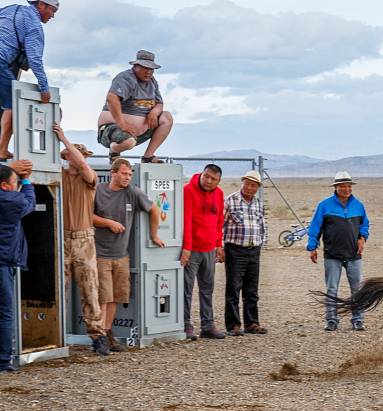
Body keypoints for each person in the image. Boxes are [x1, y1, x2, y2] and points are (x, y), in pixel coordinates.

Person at [93, 158, 165, 352]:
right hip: (100, 254)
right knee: (103, 298)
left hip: (121, 255)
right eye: (124, 173)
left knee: (115, 297)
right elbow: (87, 216)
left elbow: (155, 210)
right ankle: (98, 336)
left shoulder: (133, 192)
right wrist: (109, 223)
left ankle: (108, 333)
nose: (128, 177)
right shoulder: (98, 190)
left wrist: (154, 235)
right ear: (113, 173)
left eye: (130, 173)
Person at [53, 124, 108, 354]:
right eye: (77, 155)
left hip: (84, 239)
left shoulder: (89, 178)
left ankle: (98, 335)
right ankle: (54, 335)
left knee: (90, 289)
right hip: (61, 238)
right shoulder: (58, 176)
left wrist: (63, 138)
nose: (81, 159)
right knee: (57, 289)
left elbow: (84, 166)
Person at [307, 171, 370, 331]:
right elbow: (315, 227)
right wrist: (312, 247)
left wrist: (362, 238)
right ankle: (331, 320)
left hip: (354, 255)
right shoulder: (325, 205)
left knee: (356, 288)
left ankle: (358, 319)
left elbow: (365, 225)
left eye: (348, 186)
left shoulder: (358, 205)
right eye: (342, 186)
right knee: (332, 288)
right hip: (332, 254)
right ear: (336, 187)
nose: (346, 189)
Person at [0, 0, 59, 160]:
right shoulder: (34, 25)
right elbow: (34, 59)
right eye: (52, 10)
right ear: (41, 5)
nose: (52, 16)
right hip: (1, 60)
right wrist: (44, 87)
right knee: (12, 104)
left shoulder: (9, 9)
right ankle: (2, 149)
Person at [96, 50, 173, 164]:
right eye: (145, 68)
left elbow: (159, 103)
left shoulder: (152, 82)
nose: (148, 72)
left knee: (166, 117)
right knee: (128, 142)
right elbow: (112, 98)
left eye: (151, 69)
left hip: (139, 131)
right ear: (136, 66)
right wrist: (122, 124)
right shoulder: (126, 78)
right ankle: (114, 151)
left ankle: (148, 157)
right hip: (113, 129)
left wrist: (155, 111)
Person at [182, 164, 225, 340]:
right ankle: (185, 325)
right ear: (201, 174)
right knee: (186, 289)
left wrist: (218, 244)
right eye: (206, 176)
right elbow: (186, 220)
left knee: (207, 289)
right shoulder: (188, 190)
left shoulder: (219, 194)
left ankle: (207, 326)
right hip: (192, 250)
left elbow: (219, 220)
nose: (208, 181)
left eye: (213, 179)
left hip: (209, 249)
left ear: (218, 181)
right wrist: (187, 248)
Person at [222, 170, 267, 336]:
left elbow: (262, 225)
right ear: (242, 183)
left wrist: (261, 243)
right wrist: (220, 246)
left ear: (257, 187)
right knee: (233, 288)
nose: (249, 187)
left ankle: (252, 323)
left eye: (253, 185)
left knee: (252, 290)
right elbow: (221, 224)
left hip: (253, 250)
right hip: (235, 249)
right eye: (247, 183)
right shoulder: (231, 201)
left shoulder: (258, 203)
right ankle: (233, 325)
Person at [0, 160, 34, 372]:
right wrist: (27, 180)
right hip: (3, 263)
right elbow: (29, 201)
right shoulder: (11, 201)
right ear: (4, 185)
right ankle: (3, 360)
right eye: (14, 182)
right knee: (5, 312)